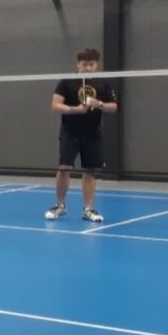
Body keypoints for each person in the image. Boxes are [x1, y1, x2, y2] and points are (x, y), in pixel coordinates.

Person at [46, 48, 118, 223]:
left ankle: (88, 209)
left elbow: (113, 107)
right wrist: (75, 110)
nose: (88, 68)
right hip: (70, 132)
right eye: (84, 64)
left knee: (89, 171)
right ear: (77, 64)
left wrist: (98, 103)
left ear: (96, 65)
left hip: (92, 133)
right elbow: (55, 106)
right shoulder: (66, 82)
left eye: (91, 64)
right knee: (64, 168)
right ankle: (59, 206)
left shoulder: (104, 84)